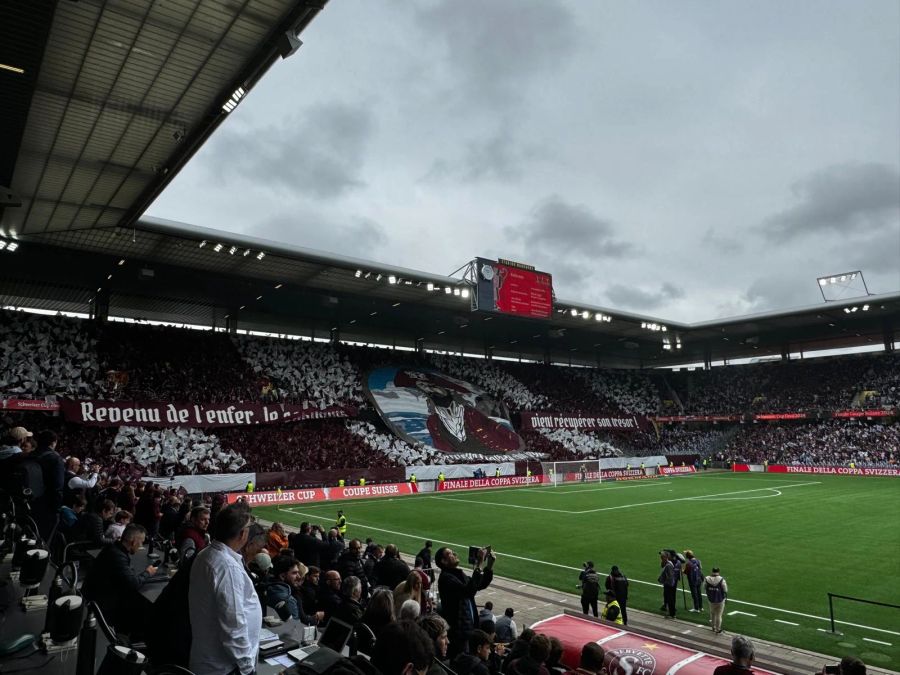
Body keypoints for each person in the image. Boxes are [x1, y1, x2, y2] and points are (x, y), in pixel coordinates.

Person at [189, 503, 262, 675]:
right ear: (242, 534)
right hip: (225, 667)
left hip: (212, 660)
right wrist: (247, 668)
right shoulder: (227, 568)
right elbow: (233, 626)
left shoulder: (207, 554)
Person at [82, 523, 157, 637]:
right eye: (140, 542)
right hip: (102, 606)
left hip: (96, 597)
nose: (141, 545)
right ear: (133, 541)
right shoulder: (118, 556)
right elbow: (133, 584)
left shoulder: (114, 548)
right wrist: (148, 572)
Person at [436, 545, 495, 657]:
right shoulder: (446, 578)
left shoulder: (457, 574)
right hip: (460, 634)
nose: (455, 554)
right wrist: (478, 565)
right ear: (443, 561)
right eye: (450, 554)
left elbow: (479, 584)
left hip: (469, 630)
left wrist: (489, 566)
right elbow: (468, 591)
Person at [30, 430, 65, 540]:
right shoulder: (55, 459)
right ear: (53, 442)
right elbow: (57, 486)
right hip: (46, 505)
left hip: (28, 501)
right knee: (42, 538)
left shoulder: (30, 455)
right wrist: (57, 509)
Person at [705, 566, 729, 634]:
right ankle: (718, 629)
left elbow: (704, 587)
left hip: (711, 599)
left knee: (712, 613)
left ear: (712, 571)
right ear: (718, 571)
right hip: (720, 599)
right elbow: (725, 590)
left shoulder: (707, 579)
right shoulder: (721, 579)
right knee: (719, 615)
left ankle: (713, 627)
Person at [659, 552, 677, 618]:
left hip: (669, 585)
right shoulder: (667, 564)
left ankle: (672, 614)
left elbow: (670, 576)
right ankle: (671, 613)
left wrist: (668, 583)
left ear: (666, 557)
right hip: (668, 584)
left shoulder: (669, 565)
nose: (661, 559)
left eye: (662, 557)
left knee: (670, 599)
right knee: (669, 599)